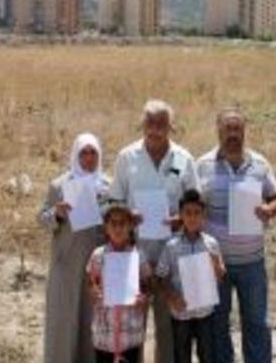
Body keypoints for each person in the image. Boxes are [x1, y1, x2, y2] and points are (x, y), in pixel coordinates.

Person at [109, 100, 200, 363]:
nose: (155, 129)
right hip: (133, 254)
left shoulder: (184, 159)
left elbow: (195, 202)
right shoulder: (127, 157)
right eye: (150, 123)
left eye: (161, 124)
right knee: (130, 328)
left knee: (168, 330)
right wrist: (128, 216)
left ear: (171, 127)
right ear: (143, 125)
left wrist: (180, 219)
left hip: (172, 257)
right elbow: (113, 201)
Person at [196, 108, 276, 363]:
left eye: (238, 129)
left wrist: (269, 209)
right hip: (215, 264)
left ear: (244, 131)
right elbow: (191, 207)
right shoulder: (201, 165)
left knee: (256, 322)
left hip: (252, 261)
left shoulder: (259, 163)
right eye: (228, 128)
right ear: (218, 130)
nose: (233, 134)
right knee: (218, 323)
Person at [39, 133, 111, 363]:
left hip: (98, 269)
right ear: (76, 155)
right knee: (65, 323)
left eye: (93, 153)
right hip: (67, 267)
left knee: (93, 324)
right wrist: (56, 214)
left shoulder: (108, 186)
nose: (89, 158)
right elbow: (42, 218)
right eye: (84, 153)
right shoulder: (60, 185)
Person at [156, 189, 227, 363]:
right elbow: (161, 277)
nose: (192, 218)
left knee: (207, 355)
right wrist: (172, 296)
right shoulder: (171, 246)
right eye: (188, 213)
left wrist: (217, 267)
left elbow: (219, 277)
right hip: (181, 313)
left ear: (204, 215)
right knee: (181, 355)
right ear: (181, 215)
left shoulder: (211, 244)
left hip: (205, 313)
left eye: (197, 213)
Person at [87, 204, 152, 363]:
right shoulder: (98, 255)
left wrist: (144, 296)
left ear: (130, 226)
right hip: (104, 335)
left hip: (130, 333)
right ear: (106, 228)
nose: (118, 228)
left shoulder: (139, 256)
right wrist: (93, 290)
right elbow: (90, 281)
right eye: (113, 223)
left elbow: (148, 283)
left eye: (122, 223)